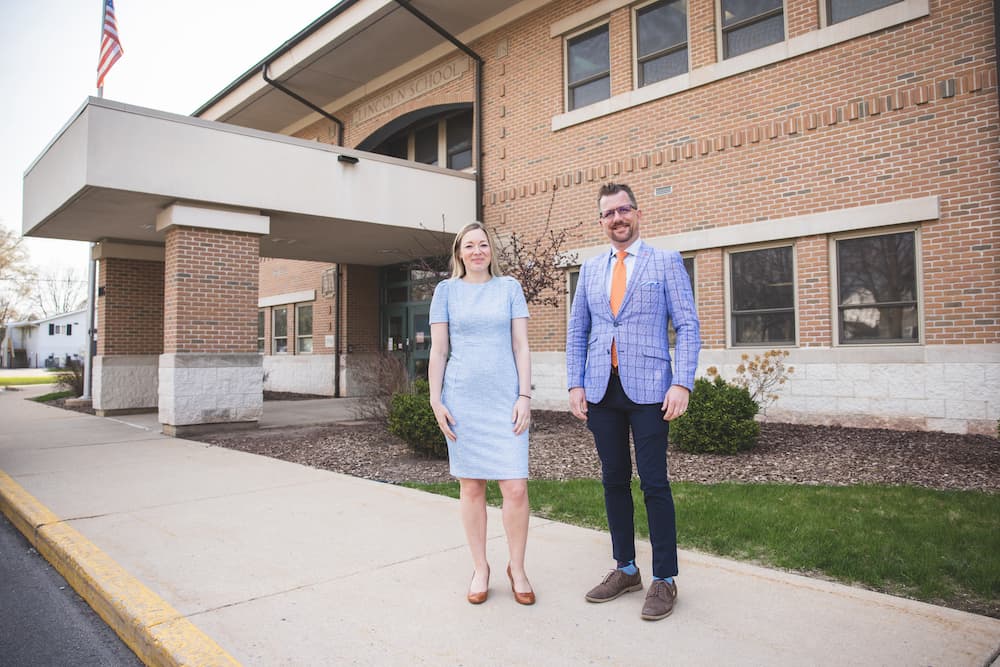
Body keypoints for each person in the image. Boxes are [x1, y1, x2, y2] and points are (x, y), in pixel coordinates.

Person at [566, 183, 700, 621]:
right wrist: (575, 384)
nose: (617, 218)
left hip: (651, 389)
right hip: (602, 389)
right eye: (609, 213)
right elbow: (577, 332)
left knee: (654, 483)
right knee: (613, 481)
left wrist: (682, 383)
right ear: (601, 221)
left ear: (637, 214)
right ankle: (625, 568)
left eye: (623, 210)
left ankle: (665, 578)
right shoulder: (590, 270)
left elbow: (688, 325)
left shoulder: (666, 262)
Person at [428, 221, 536, 606]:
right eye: (469, 245)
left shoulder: (509, 289)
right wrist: (435, 400)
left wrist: (525, 395)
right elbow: (439, 351)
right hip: (463, 403)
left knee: (516, 488)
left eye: (483, 245)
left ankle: (517, 568)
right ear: (459, 253)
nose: (477, 251)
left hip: (505, 400)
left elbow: (521, 346)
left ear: (492, 251)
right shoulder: (445, 292)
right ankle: (480, 567)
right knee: (471, 487)